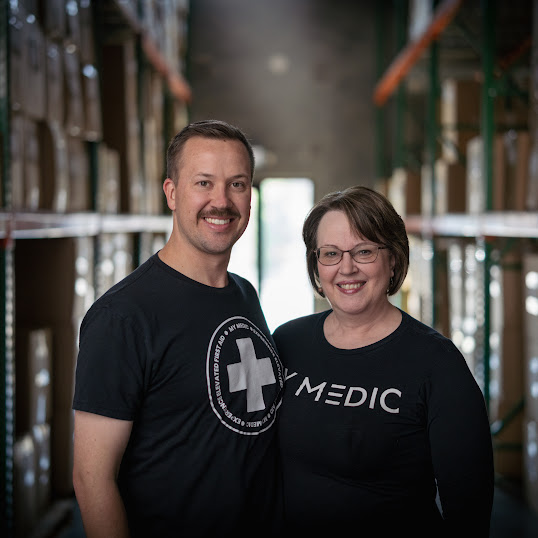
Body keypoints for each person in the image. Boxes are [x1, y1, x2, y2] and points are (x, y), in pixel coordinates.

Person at [72, 120, 284, 538]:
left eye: (237, 184)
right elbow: (92, 480)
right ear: (171, 192)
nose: (221, 201)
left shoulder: (244, 295)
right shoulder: (122, 317)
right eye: (203, 183)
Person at [273, 185, 494, 537]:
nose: (346, 268)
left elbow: (469, 509)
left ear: (392, 258)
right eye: (330, 253)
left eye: (363, 251)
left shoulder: (437, 363)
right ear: (316, 264)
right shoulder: (286, 342)